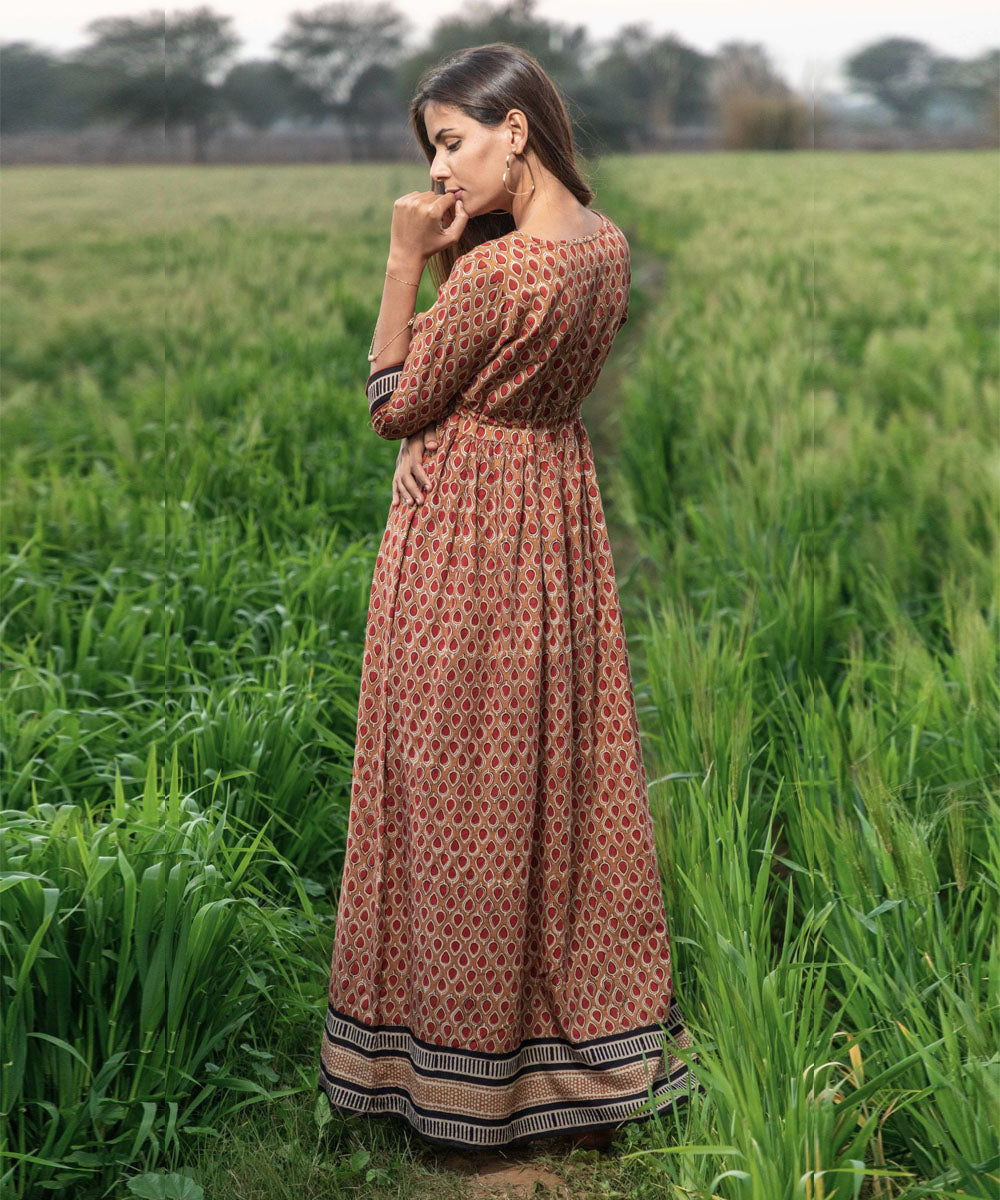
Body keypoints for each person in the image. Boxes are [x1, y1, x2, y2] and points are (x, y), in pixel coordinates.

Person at [318, 41, 698, 1154]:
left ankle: (446, 1070)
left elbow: (393, 403)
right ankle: (569, 1052)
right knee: (546, 775)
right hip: (552, 514)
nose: (437, 171)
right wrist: (446, 350)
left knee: (448, 786)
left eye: (450, 142)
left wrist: (403, 263)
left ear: (515, 130)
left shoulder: (492, 275)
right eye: (430, 152)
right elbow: (496, 371)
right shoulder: (603, 244)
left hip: (463, 536)